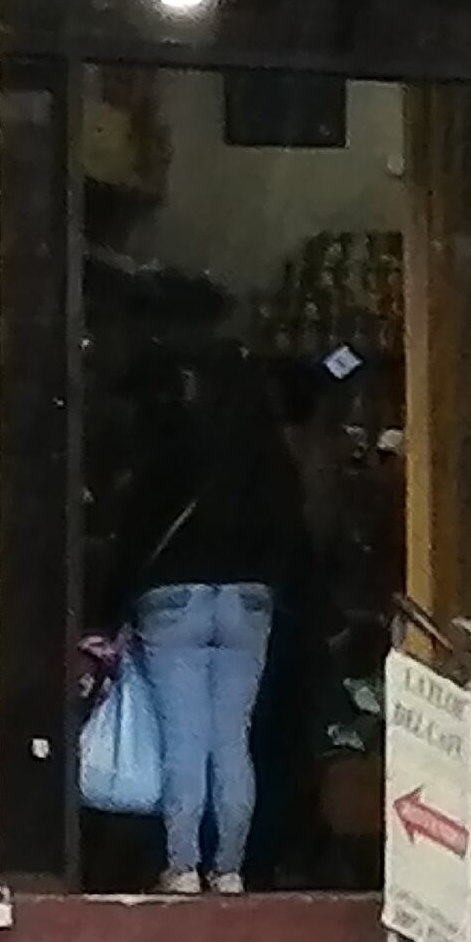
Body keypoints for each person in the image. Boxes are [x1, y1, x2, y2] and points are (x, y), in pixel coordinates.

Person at [110, 310, 311, 895]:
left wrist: (113, 607)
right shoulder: (268, 454)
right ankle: (229, 868)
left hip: (173, 601)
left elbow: (136, 531)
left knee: (183, 739)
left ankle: (181, 866)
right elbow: (291, 536)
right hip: (248, 604)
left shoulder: (170, 448)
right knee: (232, 740)